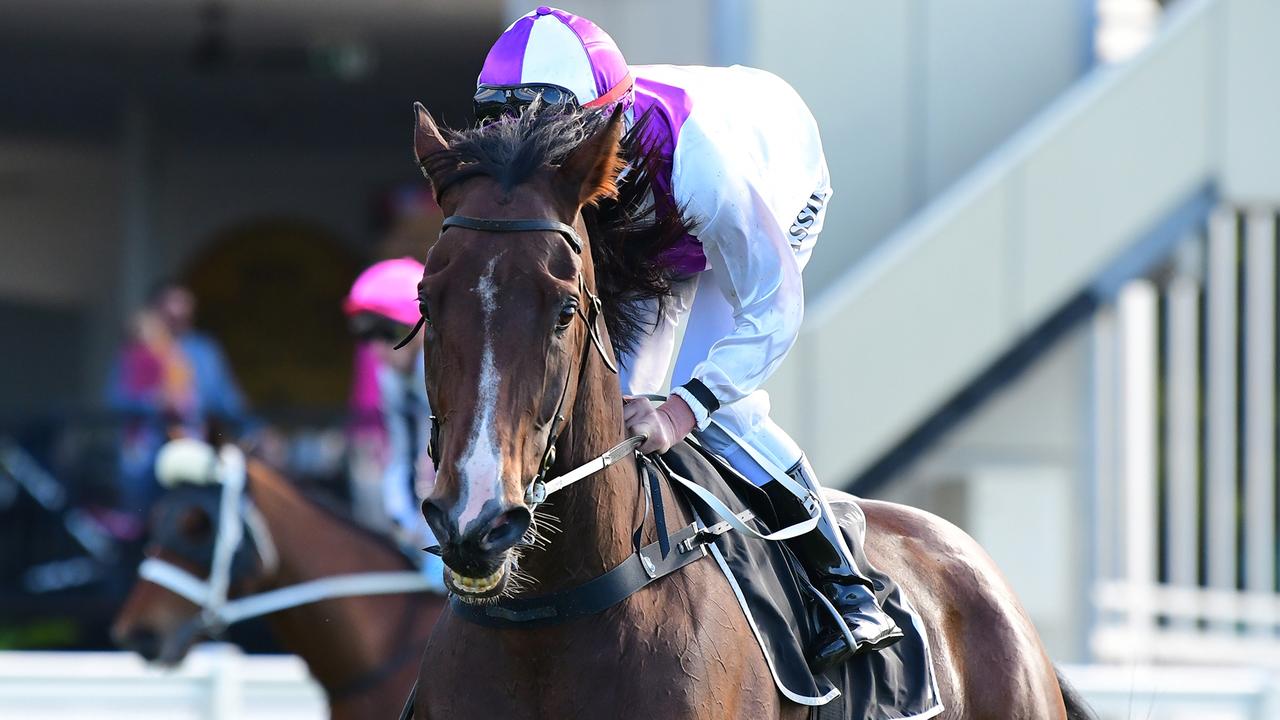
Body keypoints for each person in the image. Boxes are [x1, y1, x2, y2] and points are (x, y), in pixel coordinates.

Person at [468, 7, 902, 669]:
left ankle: (841, 576)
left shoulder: (702, 164)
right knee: (615, 408)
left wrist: (682, 410)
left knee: (703, 404)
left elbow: (774, 307)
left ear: (597, 129)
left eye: (552, 149)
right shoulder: (564, 143)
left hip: (775, 179)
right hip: (648, 233)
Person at [344, 258, 445, 591]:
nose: (376, 348)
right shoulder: (392, 379)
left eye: (386, 332)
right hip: (421, 531)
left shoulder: (445, 372)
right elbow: (400, 453)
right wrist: (403, 518)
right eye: (365, 335)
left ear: (421, 325)